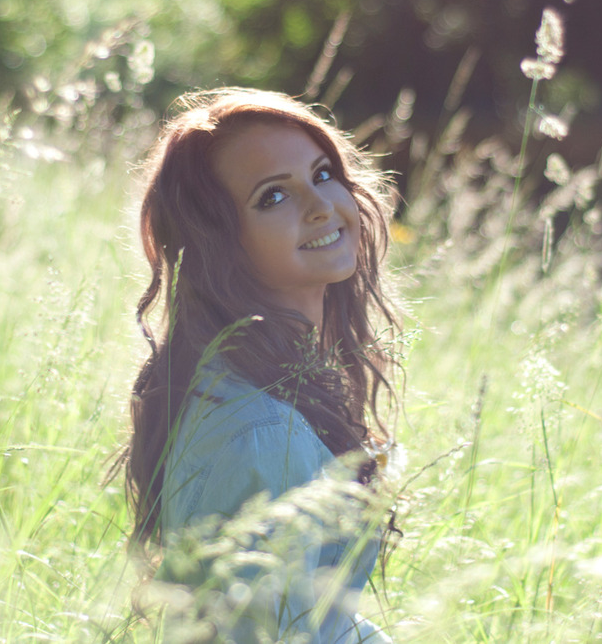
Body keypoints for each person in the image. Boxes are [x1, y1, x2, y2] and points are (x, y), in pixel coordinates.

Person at [121, 88, 401, 643]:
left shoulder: (255, 383)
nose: (321, 205)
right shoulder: (263, 433)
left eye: (322, 174)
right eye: (273, 197)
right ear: (221, 242)